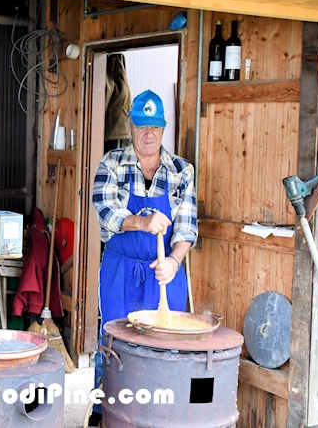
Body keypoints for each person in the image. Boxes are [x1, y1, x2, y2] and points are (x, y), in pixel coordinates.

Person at [89, 90, 198, 425]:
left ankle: (159, 415)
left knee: (165, 345)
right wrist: (141, 222)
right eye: (141, 126)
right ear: (130, 125)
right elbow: (105, 210)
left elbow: (187, 228)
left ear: (164, 129)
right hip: (121, 268)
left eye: (155, 126)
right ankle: (104, 413)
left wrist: (174, 261)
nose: (148, 133)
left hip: (163, 271)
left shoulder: (181, 171)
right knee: (114, 341)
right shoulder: (112, 163)